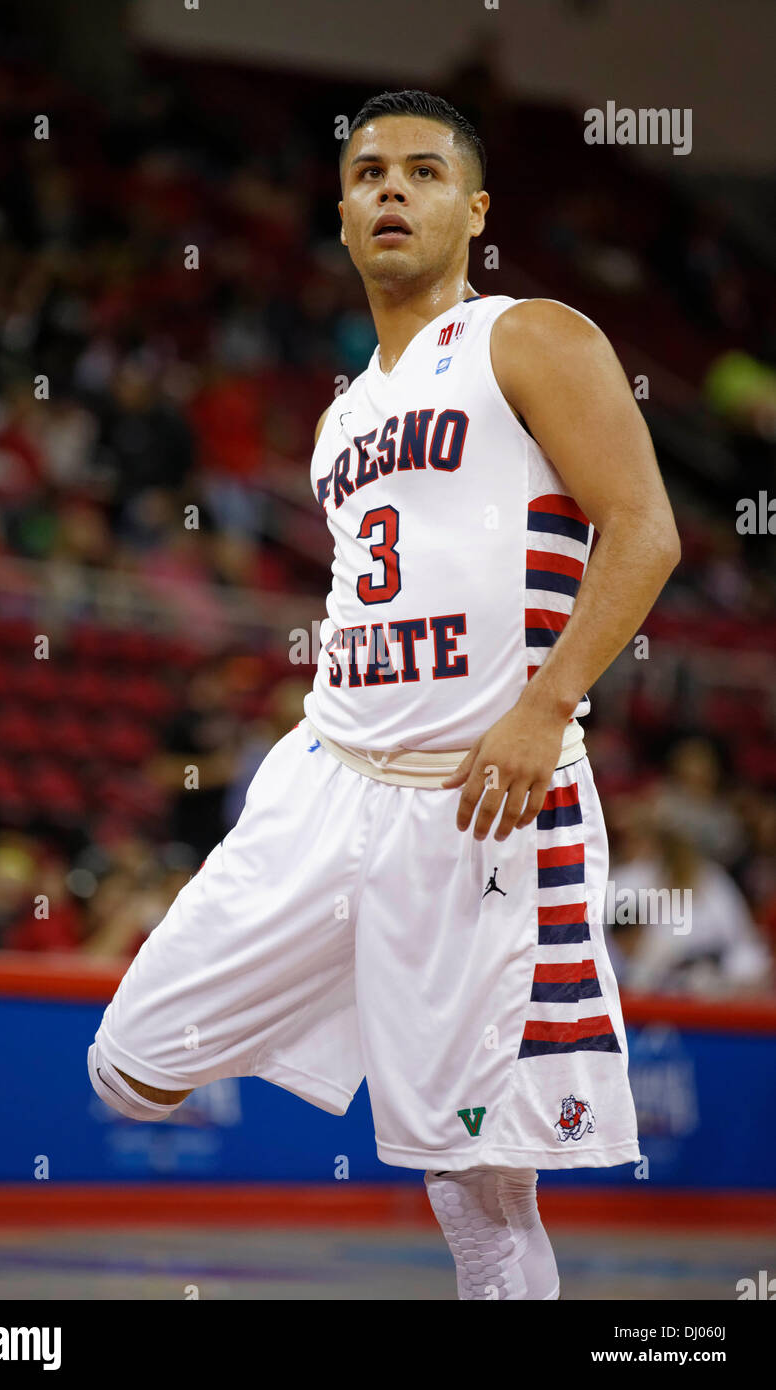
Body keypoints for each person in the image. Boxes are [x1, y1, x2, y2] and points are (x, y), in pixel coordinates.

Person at [88, 89, 681, 1300]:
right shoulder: (340, 414)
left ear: (472, 209)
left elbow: (644, 531)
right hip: (325, 782)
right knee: (130, 1062)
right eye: (367, 174)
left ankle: (413, 1016)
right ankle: (371, 991)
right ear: (343, 211)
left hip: (478, 804)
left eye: (420, 171)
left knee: (476, 1185)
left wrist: (542, 705)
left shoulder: (529, 335)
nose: (390, 190)